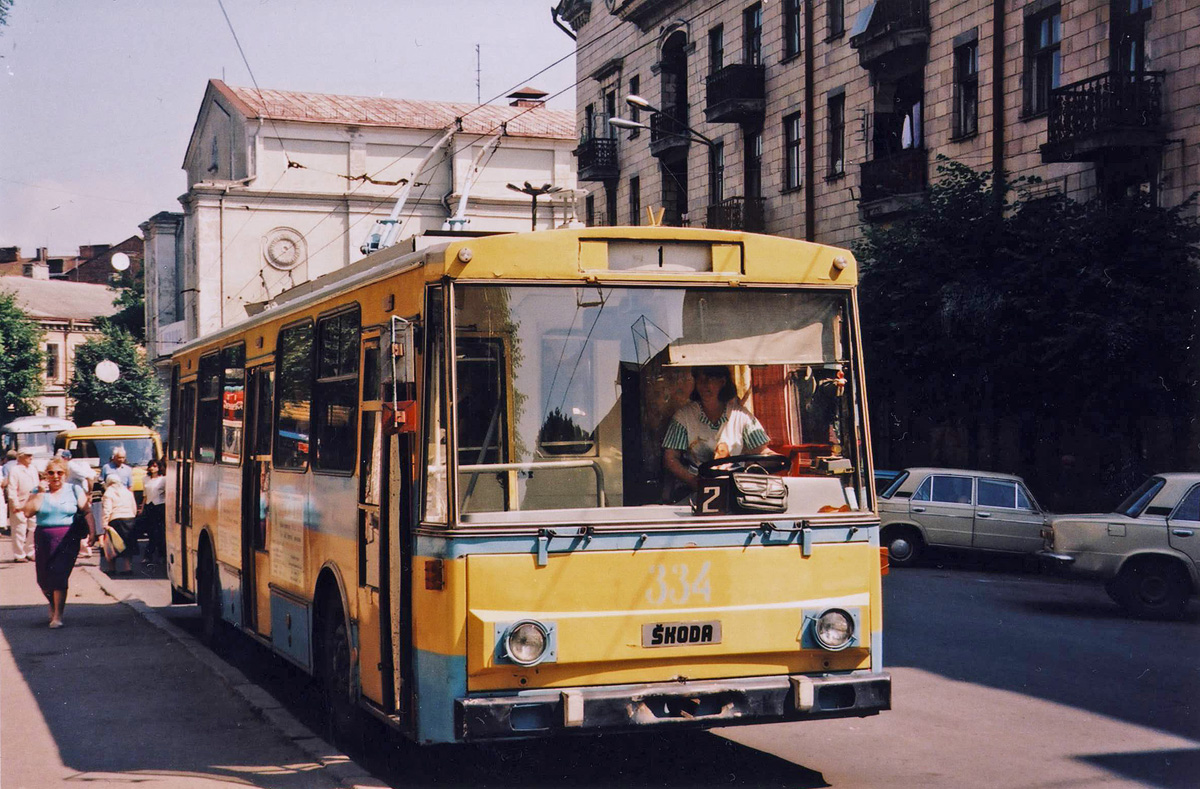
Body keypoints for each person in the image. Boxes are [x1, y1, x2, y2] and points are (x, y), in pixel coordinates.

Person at [662, 365, 771, 492]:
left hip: (736, 488)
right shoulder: (683, 417)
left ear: (722, 382)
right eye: (700, 379)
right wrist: (691, 480)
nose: (704, 384)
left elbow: (762, 451)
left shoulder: (741, 416)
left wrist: (775, 459)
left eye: (710, 378)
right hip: (695, 490)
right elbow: (670, 458)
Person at [24, 456, 89, 628]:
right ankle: (53, 605)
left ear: (65, 474)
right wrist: (39, 493)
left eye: (59, 473)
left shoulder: (74, 489)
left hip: (68, 537)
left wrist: (93, 533)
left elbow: (87, 511)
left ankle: (58, 616)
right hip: (43, 536)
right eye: (51, 473)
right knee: (43, 579)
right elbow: (28, 512)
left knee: (59, 573)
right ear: (46, 475)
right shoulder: (38, 491)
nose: (55, 476)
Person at [7, 449, 41, 562]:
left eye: (31, 455)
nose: (30, 458)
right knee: (19, 529)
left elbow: (37, 485)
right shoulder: (15, 470)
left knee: (33, 527)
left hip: (32, 502)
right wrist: (15, 504)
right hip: (19, 503)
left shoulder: (33, 469)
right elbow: (11, 489)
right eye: (28, 455)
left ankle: (30, 552)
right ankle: (19, 554)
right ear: (20, 457)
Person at [100, 474, 138, 575]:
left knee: (112, 546)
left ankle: (111, 568)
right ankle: (127, 568)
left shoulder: (108, 493)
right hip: (129, 518)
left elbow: (107, 509)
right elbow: (133, 506)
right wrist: (132, 516)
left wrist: (104, 523)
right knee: (128, 545)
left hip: (115, 520)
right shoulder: (127, 492)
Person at [139, 458, 166, 564]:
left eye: (155, 466)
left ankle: (159, 555)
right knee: (151, 532)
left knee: (160, 532)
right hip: (149, 506)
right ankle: (150, 555)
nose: (152, 468)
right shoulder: (145, 479)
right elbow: (145, 495)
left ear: (159, 468)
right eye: (151, 466)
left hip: (159, 506)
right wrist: (141, 508)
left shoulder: (163, 479)